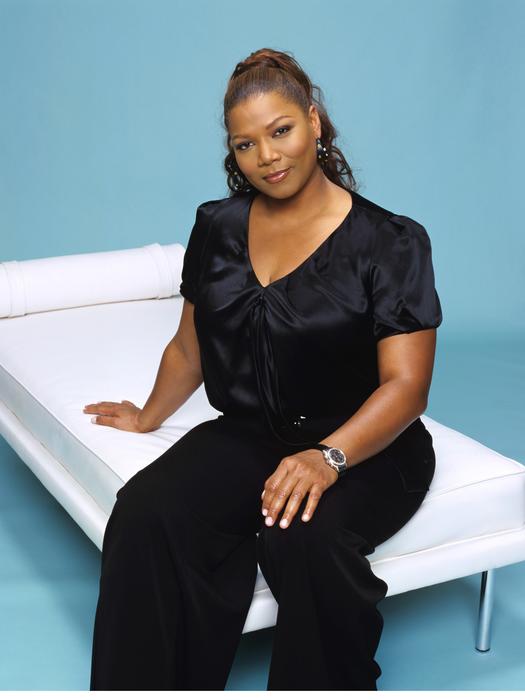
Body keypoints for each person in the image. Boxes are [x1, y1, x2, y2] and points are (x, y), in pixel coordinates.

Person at [87, 47, 443, 691]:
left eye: (281, 131)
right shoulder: (216, 225)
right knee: (145, 511)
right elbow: (190, 348)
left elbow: (407, 386)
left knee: (302, 539)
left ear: (314, 122)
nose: (268, 157)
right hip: (252, 432)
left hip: (368, 445)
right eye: (245, 144)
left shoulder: (391, 241)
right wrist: (147, 416)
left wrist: (327, 459)